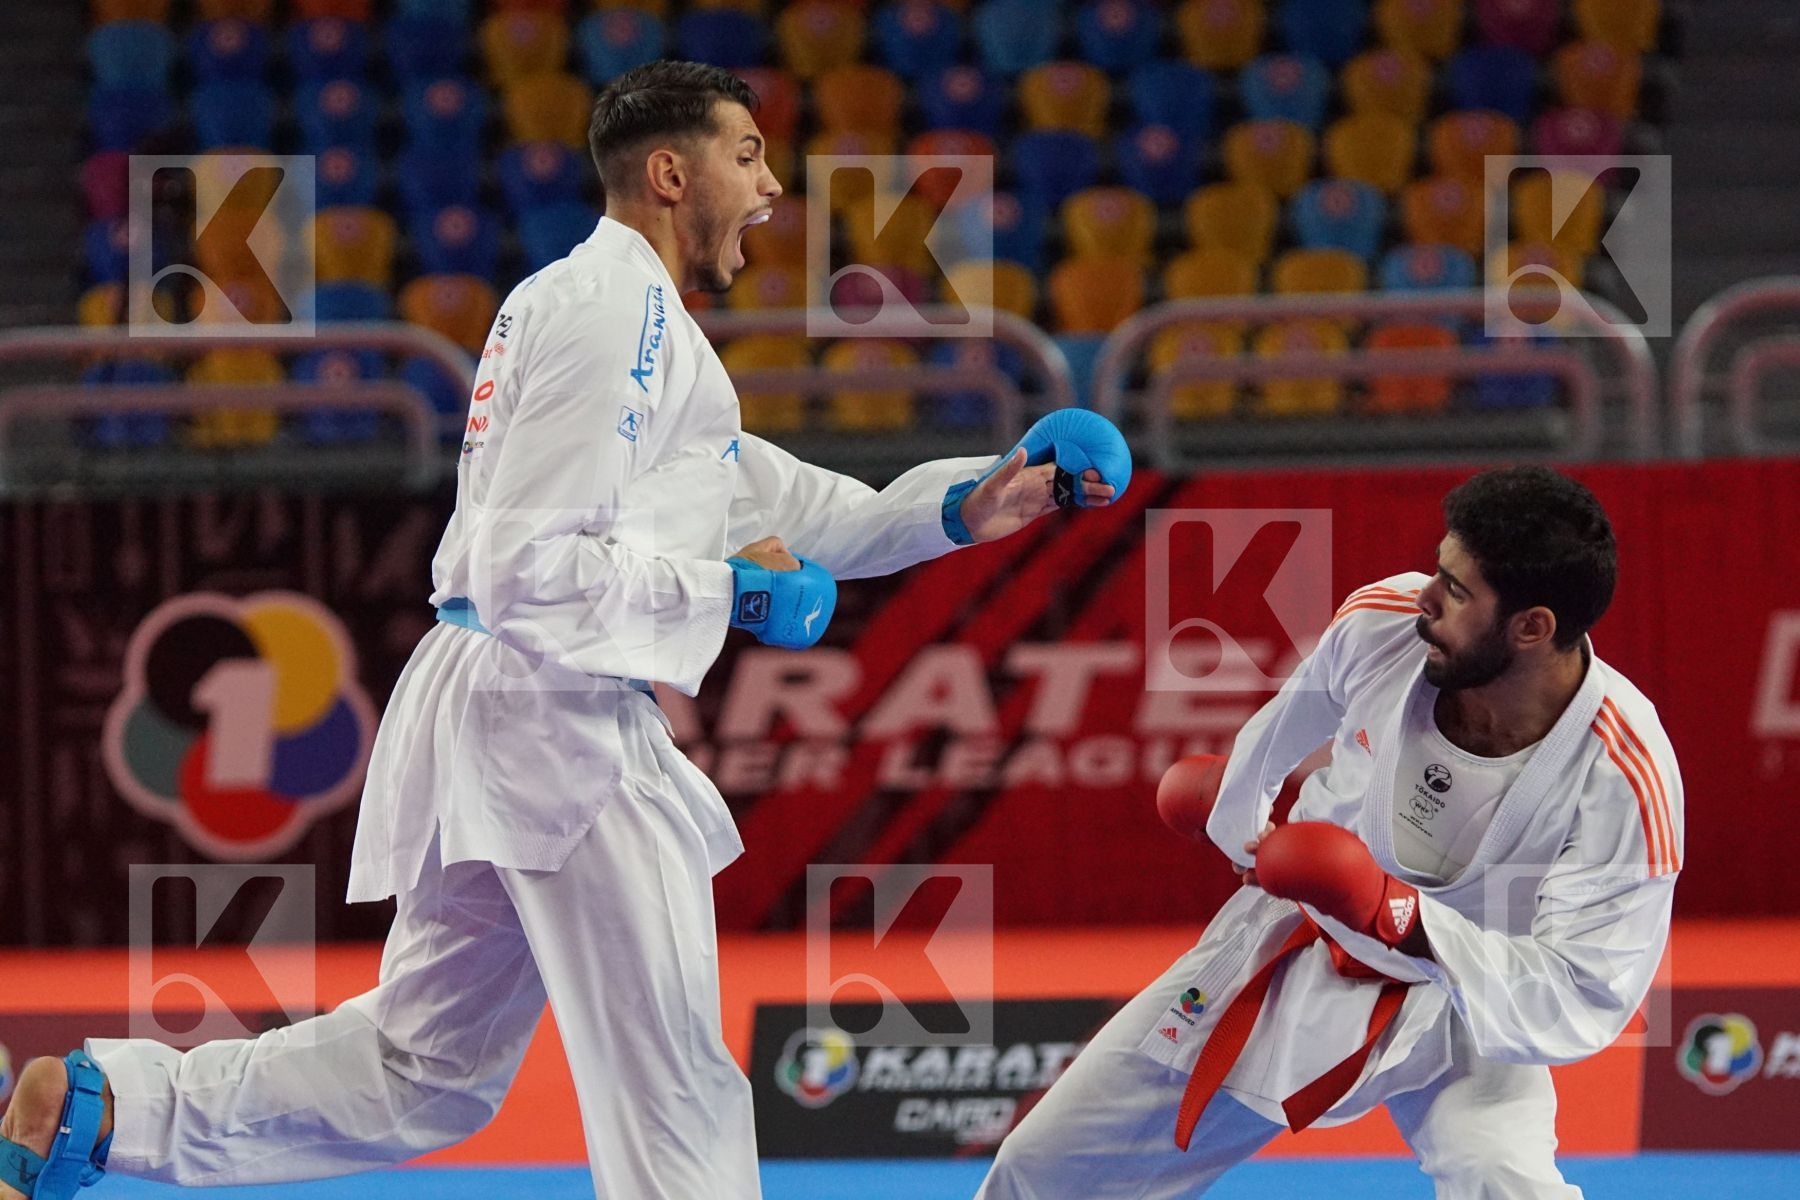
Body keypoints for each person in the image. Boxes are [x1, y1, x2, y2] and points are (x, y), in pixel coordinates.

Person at [0, 62, 1131, 1200]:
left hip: (509, 701)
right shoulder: (610, 315)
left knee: (425, 1069)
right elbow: (522, 566)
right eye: (747, 157)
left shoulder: (646, 334)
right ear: (669, 172)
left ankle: (107, 1114)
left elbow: (798, 508)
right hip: (555, 713)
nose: (775, 187)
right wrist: (725, 596)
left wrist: (973, 502)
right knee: (672, 1077)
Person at [978, 465, 1683, 1199]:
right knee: (1042, 1170)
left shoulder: (1623, 776)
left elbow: (1586, 989)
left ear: (1533, 627)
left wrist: (1402, 920)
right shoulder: (1383, 625)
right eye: (1439, 571)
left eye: (1458, 591)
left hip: (1465, 1009)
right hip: (1293, 948)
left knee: (1502, 1178)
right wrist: (1239, 824)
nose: (1427, 601)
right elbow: (1275, 737)